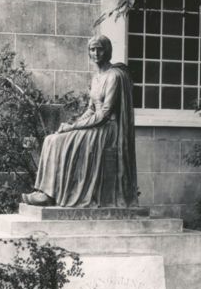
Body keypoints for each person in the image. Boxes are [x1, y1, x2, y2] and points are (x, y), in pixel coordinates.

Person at [22, 35, 138, 207]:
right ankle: (45, 192)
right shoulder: (96, 77)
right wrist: (71, 126)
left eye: (100, 49)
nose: (96, 53)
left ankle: (50, 195)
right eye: (92, 49)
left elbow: (104, 114)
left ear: (108, 51)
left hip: (109, 130)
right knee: (51, 140)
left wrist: (73, 127)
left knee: (62, 141)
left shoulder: (114, 76)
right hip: (96, 125)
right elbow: (91, 110)